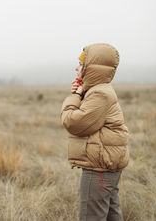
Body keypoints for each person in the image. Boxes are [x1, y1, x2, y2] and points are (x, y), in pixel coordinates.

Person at [60, 43, 129, 221]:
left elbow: (73, 122)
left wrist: (74, 97)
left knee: (91, 216)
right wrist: (82, 93)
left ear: (91, 68)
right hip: (106, 164)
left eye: (81, 64)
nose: (77, 68)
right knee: (111, 215)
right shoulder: (99, 91)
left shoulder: (99, 94)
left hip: (99, 167)